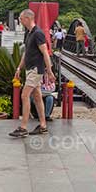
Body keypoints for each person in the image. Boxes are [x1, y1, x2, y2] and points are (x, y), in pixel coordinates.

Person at [9, 9, 56, 137]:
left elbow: (45, 53)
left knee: (24, 95)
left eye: (21, 18)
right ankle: (43, 126)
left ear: (28, 18)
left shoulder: (38, 33)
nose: (20, 21)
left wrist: (49, 71)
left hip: (36, 69)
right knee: (37, 97)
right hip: (30, 69)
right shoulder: (28, 33)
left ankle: (23, 127)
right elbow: (26, 53)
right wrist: (19, 68)